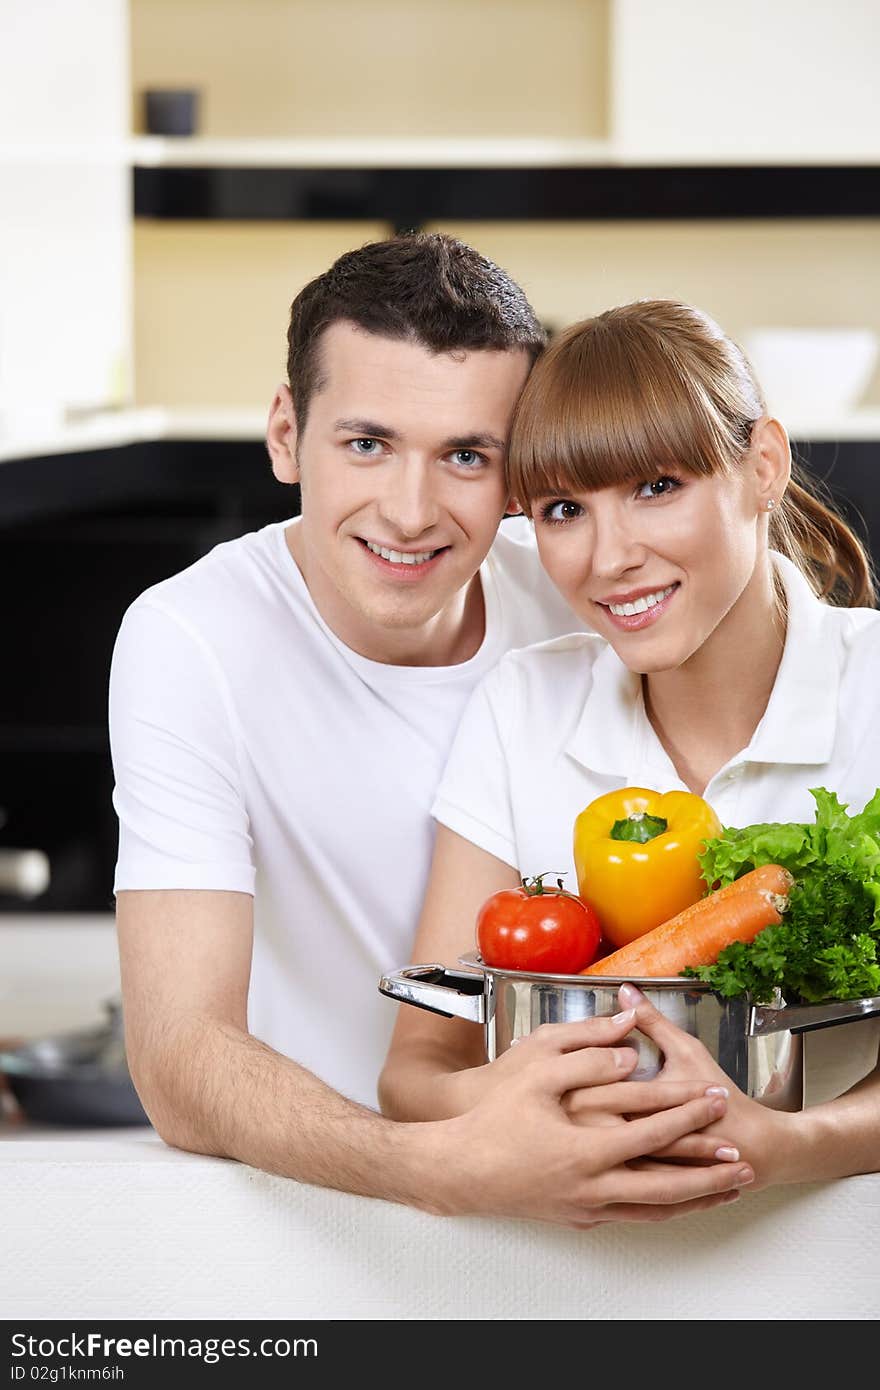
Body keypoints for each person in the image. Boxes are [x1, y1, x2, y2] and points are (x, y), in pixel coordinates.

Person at [109, 239, 751, 1227]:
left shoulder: (587, 589)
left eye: (465, 455)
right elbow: (179, 1058)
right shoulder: (191, 639)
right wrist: (435, 1168)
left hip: (635, 1188)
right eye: (366, 443)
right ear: (286, 433)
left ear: (515, 472)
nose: (409, 513)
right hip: (330, 1203)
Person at [379, 298, 880, 1192]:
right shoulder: (524, 705)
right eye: (566, 509)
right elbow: (419, 1068)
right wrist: (532, 1106)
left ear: (763, 464)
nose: (609, 558)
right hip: (560, 1261)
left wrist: (785, 1142)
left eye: (657, 488)